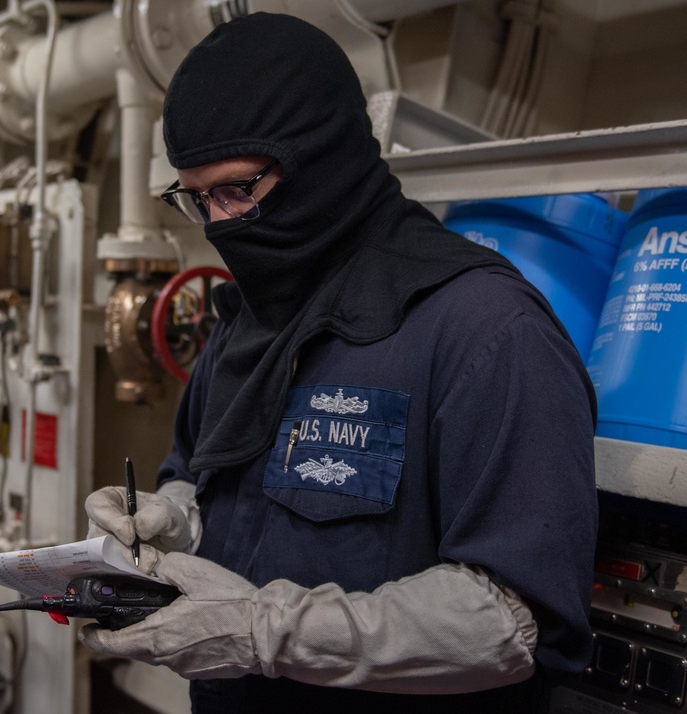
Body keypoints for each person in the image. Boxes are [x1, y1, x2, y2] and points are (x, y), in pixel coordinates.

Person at [80, 11, 597, 713]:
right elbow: (210, 483)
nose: (222, 224)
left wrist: (267, 628)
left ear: (319, 156)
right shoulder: (247, 324)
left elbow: (514, 618)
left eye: (238, 189)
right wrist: (174, 518)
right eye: (195, 199)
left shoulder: (485, 330)